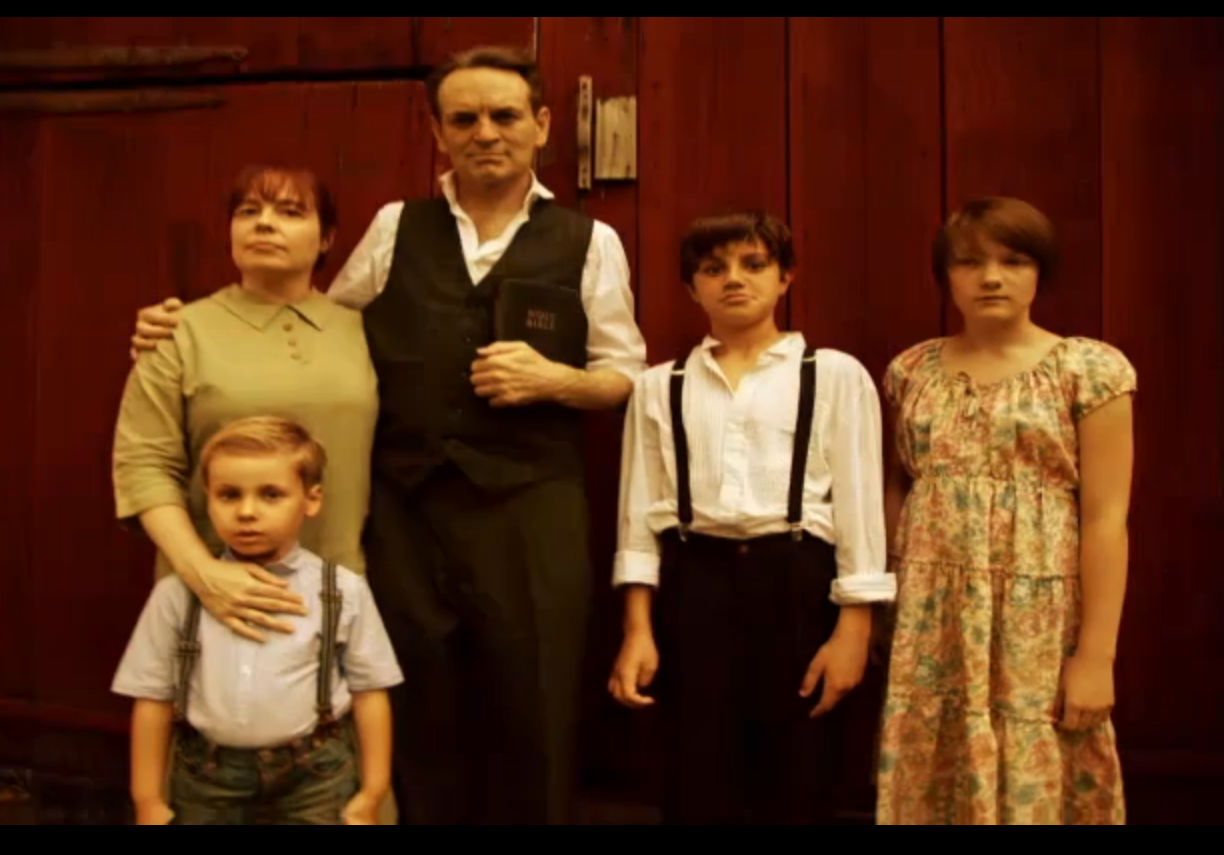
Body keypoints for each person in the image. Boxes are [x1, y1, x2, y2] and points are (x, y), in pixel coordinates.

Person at [130, 46, 647, 825]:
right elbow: (313, 323)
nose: (485, 132)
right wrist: (190, 327)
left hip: (533, 507)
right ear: (438, 132)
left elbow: (625, 374)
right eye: (464, 118)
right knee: (414, 703)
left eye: (504, 115)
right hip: (407, 510)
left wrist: (556, 380)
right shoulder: (396, 226)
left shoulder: (590, 240)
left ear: (542, 125)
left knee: (537, 705)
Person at [608, 211, 896, 824]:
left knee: (799, 769)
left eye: (754, 264)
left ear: (786, 276)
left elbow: (860, 510)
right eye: (714, 269)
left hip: (796, 581)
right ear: (692, 288)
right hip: (694, 583)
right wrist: (638, 629)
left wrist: (854, 630)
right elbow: (637, 519)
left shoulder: (832, 375)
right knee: (698, 771)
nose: (734, 279)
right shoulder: (660, 386)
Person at [876, 198, 1135, 825]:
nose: (991, 277)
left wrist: (1096, 657)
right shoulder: (912, 370)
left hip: (1037, 621)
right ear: (946, 275)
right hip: (932, 617)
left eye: (1013, 260)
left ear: (1040, 270)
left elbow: (1107, 519)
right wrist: (886, 609)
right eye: (970, 262)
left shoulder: (1087, 370)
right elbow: (898, 490)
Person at [115, 165, 377, 643]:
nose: (264, 223)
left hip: (337, 593)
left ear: (327, 239)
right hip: (214, 595)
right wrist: (204, 574)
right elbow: (144, 465)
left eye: (290, 212)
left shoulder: (366, 333)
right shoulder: (178, 332)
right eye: (248, 211)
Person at [113, 417, 403, 826]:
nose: (247, 512)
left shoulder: (342, 592)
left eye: (271, 495)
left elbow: (370, 692)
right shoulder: (177, 595)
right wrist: (147, 799)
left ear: (311, 500)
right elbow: (152, 698)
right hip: (207, 777)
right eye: (229, 495)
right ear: (208, 500)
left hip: (316, 777)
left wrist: (373, 792)